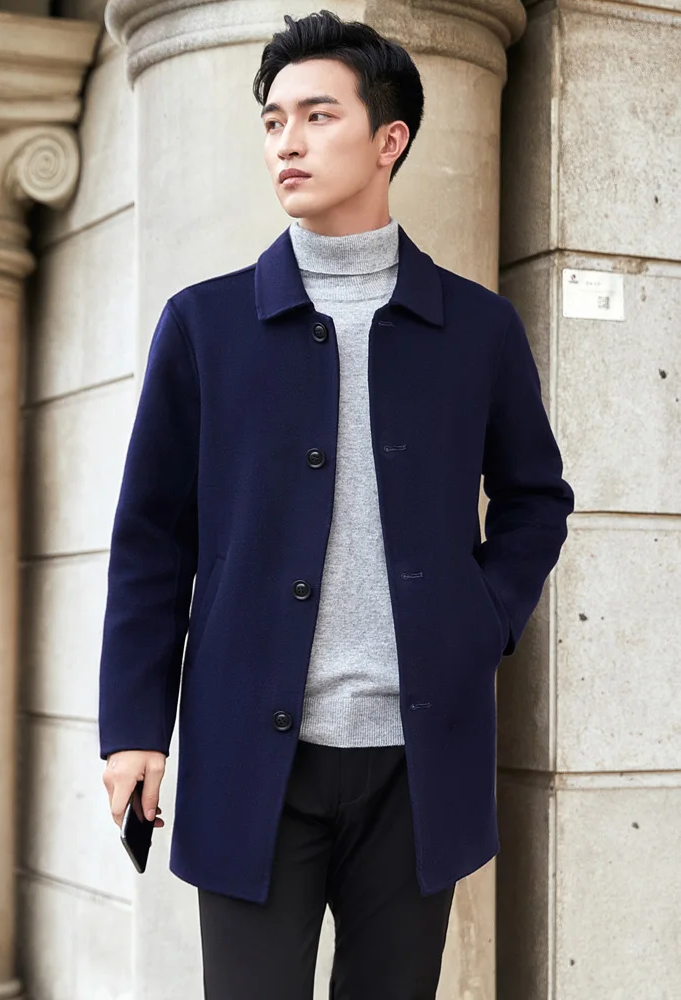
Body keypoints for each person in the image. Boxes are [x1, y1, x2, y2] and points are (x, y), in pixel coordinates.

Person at [99, 9, 574, 999]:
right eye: (274, 121)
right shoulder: (205, 326)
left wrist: (481, 617)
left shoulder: (475, 329)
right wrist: (135, 725)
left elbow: (536, 497)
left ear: (389, 138)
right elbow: (152, 540)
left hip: (416, 762)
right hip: (250, 757)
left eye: (318, 116)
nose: (288, 142)